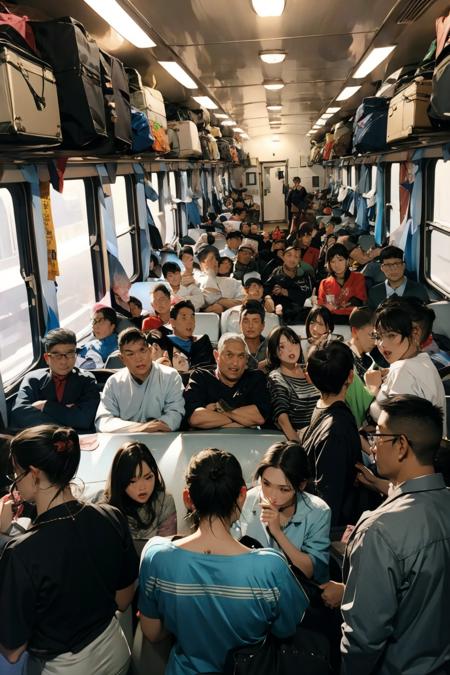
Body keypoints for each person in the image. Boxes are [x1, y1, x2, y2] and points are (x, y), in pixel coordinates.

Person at [138, 448, 308, 675]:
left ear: (188, 498)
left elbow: (152, 632)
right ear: (242, 495)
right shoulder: (271, 568)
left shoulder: (156, 556)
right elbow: (286, 629)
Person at [0, 425, 138, 673]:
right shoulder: (111, 516)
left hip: (64, 667)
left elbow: (12, 651)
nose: (15, 484)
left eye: (16, 474)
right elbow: (124, 599)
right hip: (115, 649)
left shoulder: (21, 552)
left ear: (34, 474)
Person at [340, 396, 450, 675]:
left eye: (378, 435)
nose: (373, 445)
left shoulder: (379, 530)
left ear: (401, 445)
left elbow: (363, 640)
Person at [239, 441, 331, 583]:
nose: (272, 495)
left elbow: (309, 571)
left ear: (301, 485)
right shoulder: (247, 500)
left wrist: (277, 532)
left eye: (284, 489)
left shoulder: (318, 511)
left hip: (297, 592)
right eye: (266, 483)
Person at [302, 341, 362, 526]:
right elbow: (329, 500)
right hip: (329, 533)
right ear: (350, 376)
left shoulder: (327, 412)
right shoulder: (336, 428)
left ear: (309, 377)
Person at [366, 303, 446, 424]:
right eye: (378, 336)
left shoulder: (402, 369)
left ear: (414, 333)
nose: (382, 344)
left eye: (391, 335)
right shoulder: (424, 360)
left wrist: (374, 389)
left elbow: (394, 423)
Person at [95, 327, 185, 433]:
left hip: (160, 439)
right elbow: (103, 421)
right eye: (130, 354)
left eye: (142, 350)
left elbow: (174, 417)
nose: (138, 358)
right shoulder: (113, 382)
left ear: (150, 351)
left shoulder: (170, 376)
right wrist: (142, 428)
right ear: (122, 359)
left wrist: (130, 428)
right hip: (125, 444)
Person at [10, 329, 99, 433]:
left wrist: (45, 406)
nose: (64, 361)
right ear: (47, 358)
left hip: (77, 440)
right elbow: (19, 414)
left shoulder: (87, 380)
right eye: (57, 355)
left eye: (70, 354)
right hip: (42, 439)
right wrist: (67, 414)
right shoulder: (33, 379)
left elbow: (84, 419)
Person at [184, 333, 271, 429]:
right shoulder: (200, 377)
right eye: (229, 355)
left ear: (246, 359)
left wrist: (220, 410)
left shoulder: (255, 378)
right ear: (216, 356)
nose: (235, 362)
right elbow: (196, 418)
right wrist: (242, 420)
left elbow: (259, 418)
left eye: (241, 356)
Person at [103, 441, 176, 554]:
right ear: (120, 481)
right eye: (133, 481)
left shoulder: (164, 501)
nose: (142, 487)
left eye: (148, 477)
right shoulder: (105, 507)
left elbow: (167, 554)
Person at [267, 327, 319, 441]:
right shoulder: (276, 377)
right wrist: (298, 447)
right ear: (274, 351)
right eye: (282, 346)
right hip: (303, 438)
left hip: (324, 430)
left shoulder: (310, 370)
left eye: (294, 342)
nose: (291, 349)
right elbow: (282, 419)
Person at [318, 243, 367, 319]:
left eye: (340, 260)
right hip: (332, 321)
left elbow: (358, 301)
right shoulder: (324, 283)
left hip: (352, 320)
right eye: (332, 261)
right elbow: (321, 306)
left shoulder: (358, 277)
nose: (336, 265)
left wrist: (335, 307)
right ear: (328, 264)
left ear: (347, 260)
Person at [266, 247, 313, 324]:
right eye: (289, 255)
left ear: (299, 260)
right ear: (283, 256)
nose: (292, 259)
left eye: (296, 257)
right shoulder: (276, 273)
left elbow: (309, 295)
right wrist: (269, 296)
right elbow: (266, 289)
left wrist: (286, 292)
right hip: (279, 316)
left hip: (300, 317)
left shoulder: (305, 275)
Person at [195, 245, 244, 314]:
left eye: (216, 258)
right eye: (211, 259)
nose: (215, 262)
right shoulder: (194, 281)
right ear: (201, 263)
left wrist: (218, 302)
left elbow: (243, 303)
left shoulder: (233, 282)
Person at [167, 300, 215, 369]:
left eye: (192, 317)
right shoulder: (163, 342)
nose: (190, 322)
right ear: (172, 322)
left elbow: (207, 369)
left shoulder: (202, 342)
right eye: (184, 318)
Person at [347, 306, 376, 379]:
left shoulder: (367, 360)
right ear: (355, 332)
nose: (376, 342)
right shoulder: (342, 358)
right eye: (372, 335)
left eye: (377, 336)